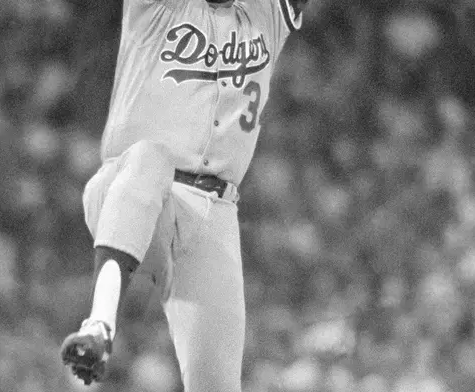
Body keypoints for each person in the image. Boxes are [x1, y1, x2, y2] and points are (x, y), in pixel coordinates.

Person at [60, 0, 306, 390]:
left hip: (214, 214)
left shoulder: (267, 14)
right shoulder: (160, 6)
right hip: (127, 189)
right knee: (150, 156)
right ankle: (100, 324)